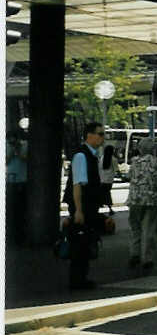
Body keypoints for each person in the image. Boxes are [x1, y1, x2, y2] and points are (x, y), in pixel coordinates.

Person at [61, 122, 105, 289]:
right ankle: (77, 280)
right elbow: (77, 184)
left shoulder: (91, 155)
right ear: (89, 135)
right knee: (80, 244)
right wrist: (78, 210)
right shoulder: (81, 156)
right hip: (83, 207)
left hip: (88, 207)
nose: (102, 138)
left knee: (85, 242)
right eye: (100, 134)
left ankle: (81, 278)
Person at [126, 137, 157, 274]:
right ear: (153, 149)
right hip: (152, 200)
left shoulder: (134, 162)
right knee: (148, 229)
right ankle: (147, 259)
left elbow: (129, 177)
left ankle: (134, 254)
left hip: (134, 200)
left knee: (135, 228)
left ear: (140, 149)